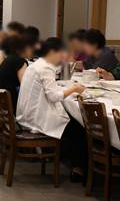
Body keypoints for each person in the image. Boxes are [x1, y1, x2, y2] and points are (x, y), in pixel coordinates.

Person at [16, 37, 87, 180]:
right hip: (35, 119)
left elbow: (50, 90)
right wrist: (74, 89)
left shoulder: (37, 64)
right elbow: (54, 96)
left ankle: (66, 157)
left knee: (72, 121)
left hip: (26, 114)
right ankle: (78, 170)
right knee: (79, 128)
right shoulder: (46, 67)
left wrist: (67, 90)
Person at [0, 36, 30, 110]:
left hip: (1, 103)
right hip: (10, 104)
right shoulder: (20, 61)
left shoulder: (9, 58)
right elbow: (25, 86)